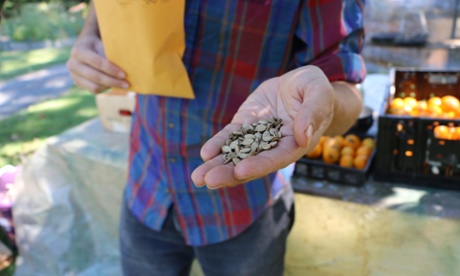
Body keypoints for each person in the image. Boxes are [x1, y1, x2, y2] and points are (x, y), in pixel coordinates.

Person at [66, 0, 366, 275]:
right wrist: (90, 33)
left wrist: (325, 101)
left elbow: (346, 88)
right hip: (147, 185)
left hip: (244, 207)